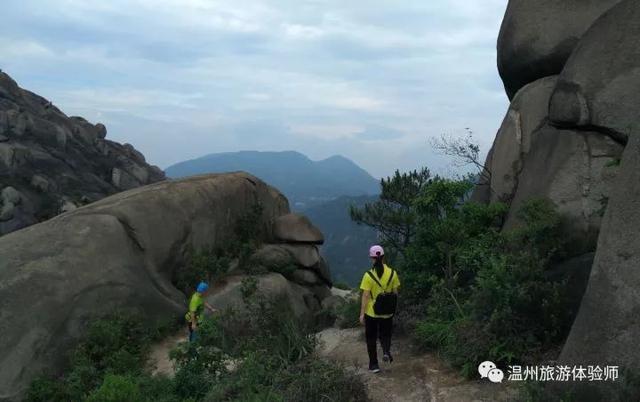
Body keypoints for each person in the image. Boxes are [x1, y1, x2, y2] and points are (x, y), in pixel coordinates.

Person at [359, 245, 400, 373]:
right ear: (383, 257)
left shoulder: (368, 275)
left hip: (372, 312)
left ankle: (374, 365)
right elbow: (395, 293)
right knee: (386, 334)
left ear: (372, 258)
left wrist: (361, 314)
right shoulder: (393, 273)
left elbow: (366, 295)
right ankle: (386, 351)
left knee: (371, 338)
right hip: (387, 312)